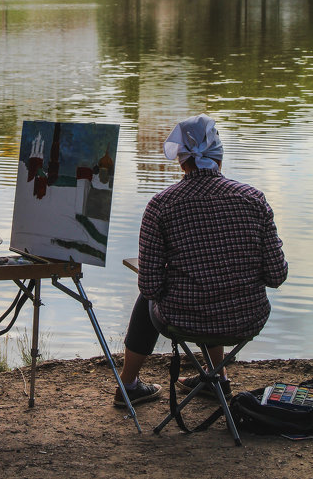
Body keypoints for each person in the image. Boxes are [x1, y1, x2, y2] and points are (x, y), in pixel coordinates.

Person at [114, 113, 288, 407]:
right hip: (247, 319)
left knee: (148, 298)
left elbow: (151, 287)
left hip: (186, 320)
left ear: (181, 161)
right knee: (216, 279)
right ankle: (214, 376)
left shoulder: (162, 205)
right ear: (220, 157)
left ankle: (128, 384)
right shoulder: (254, 199)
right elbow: (276, 276)